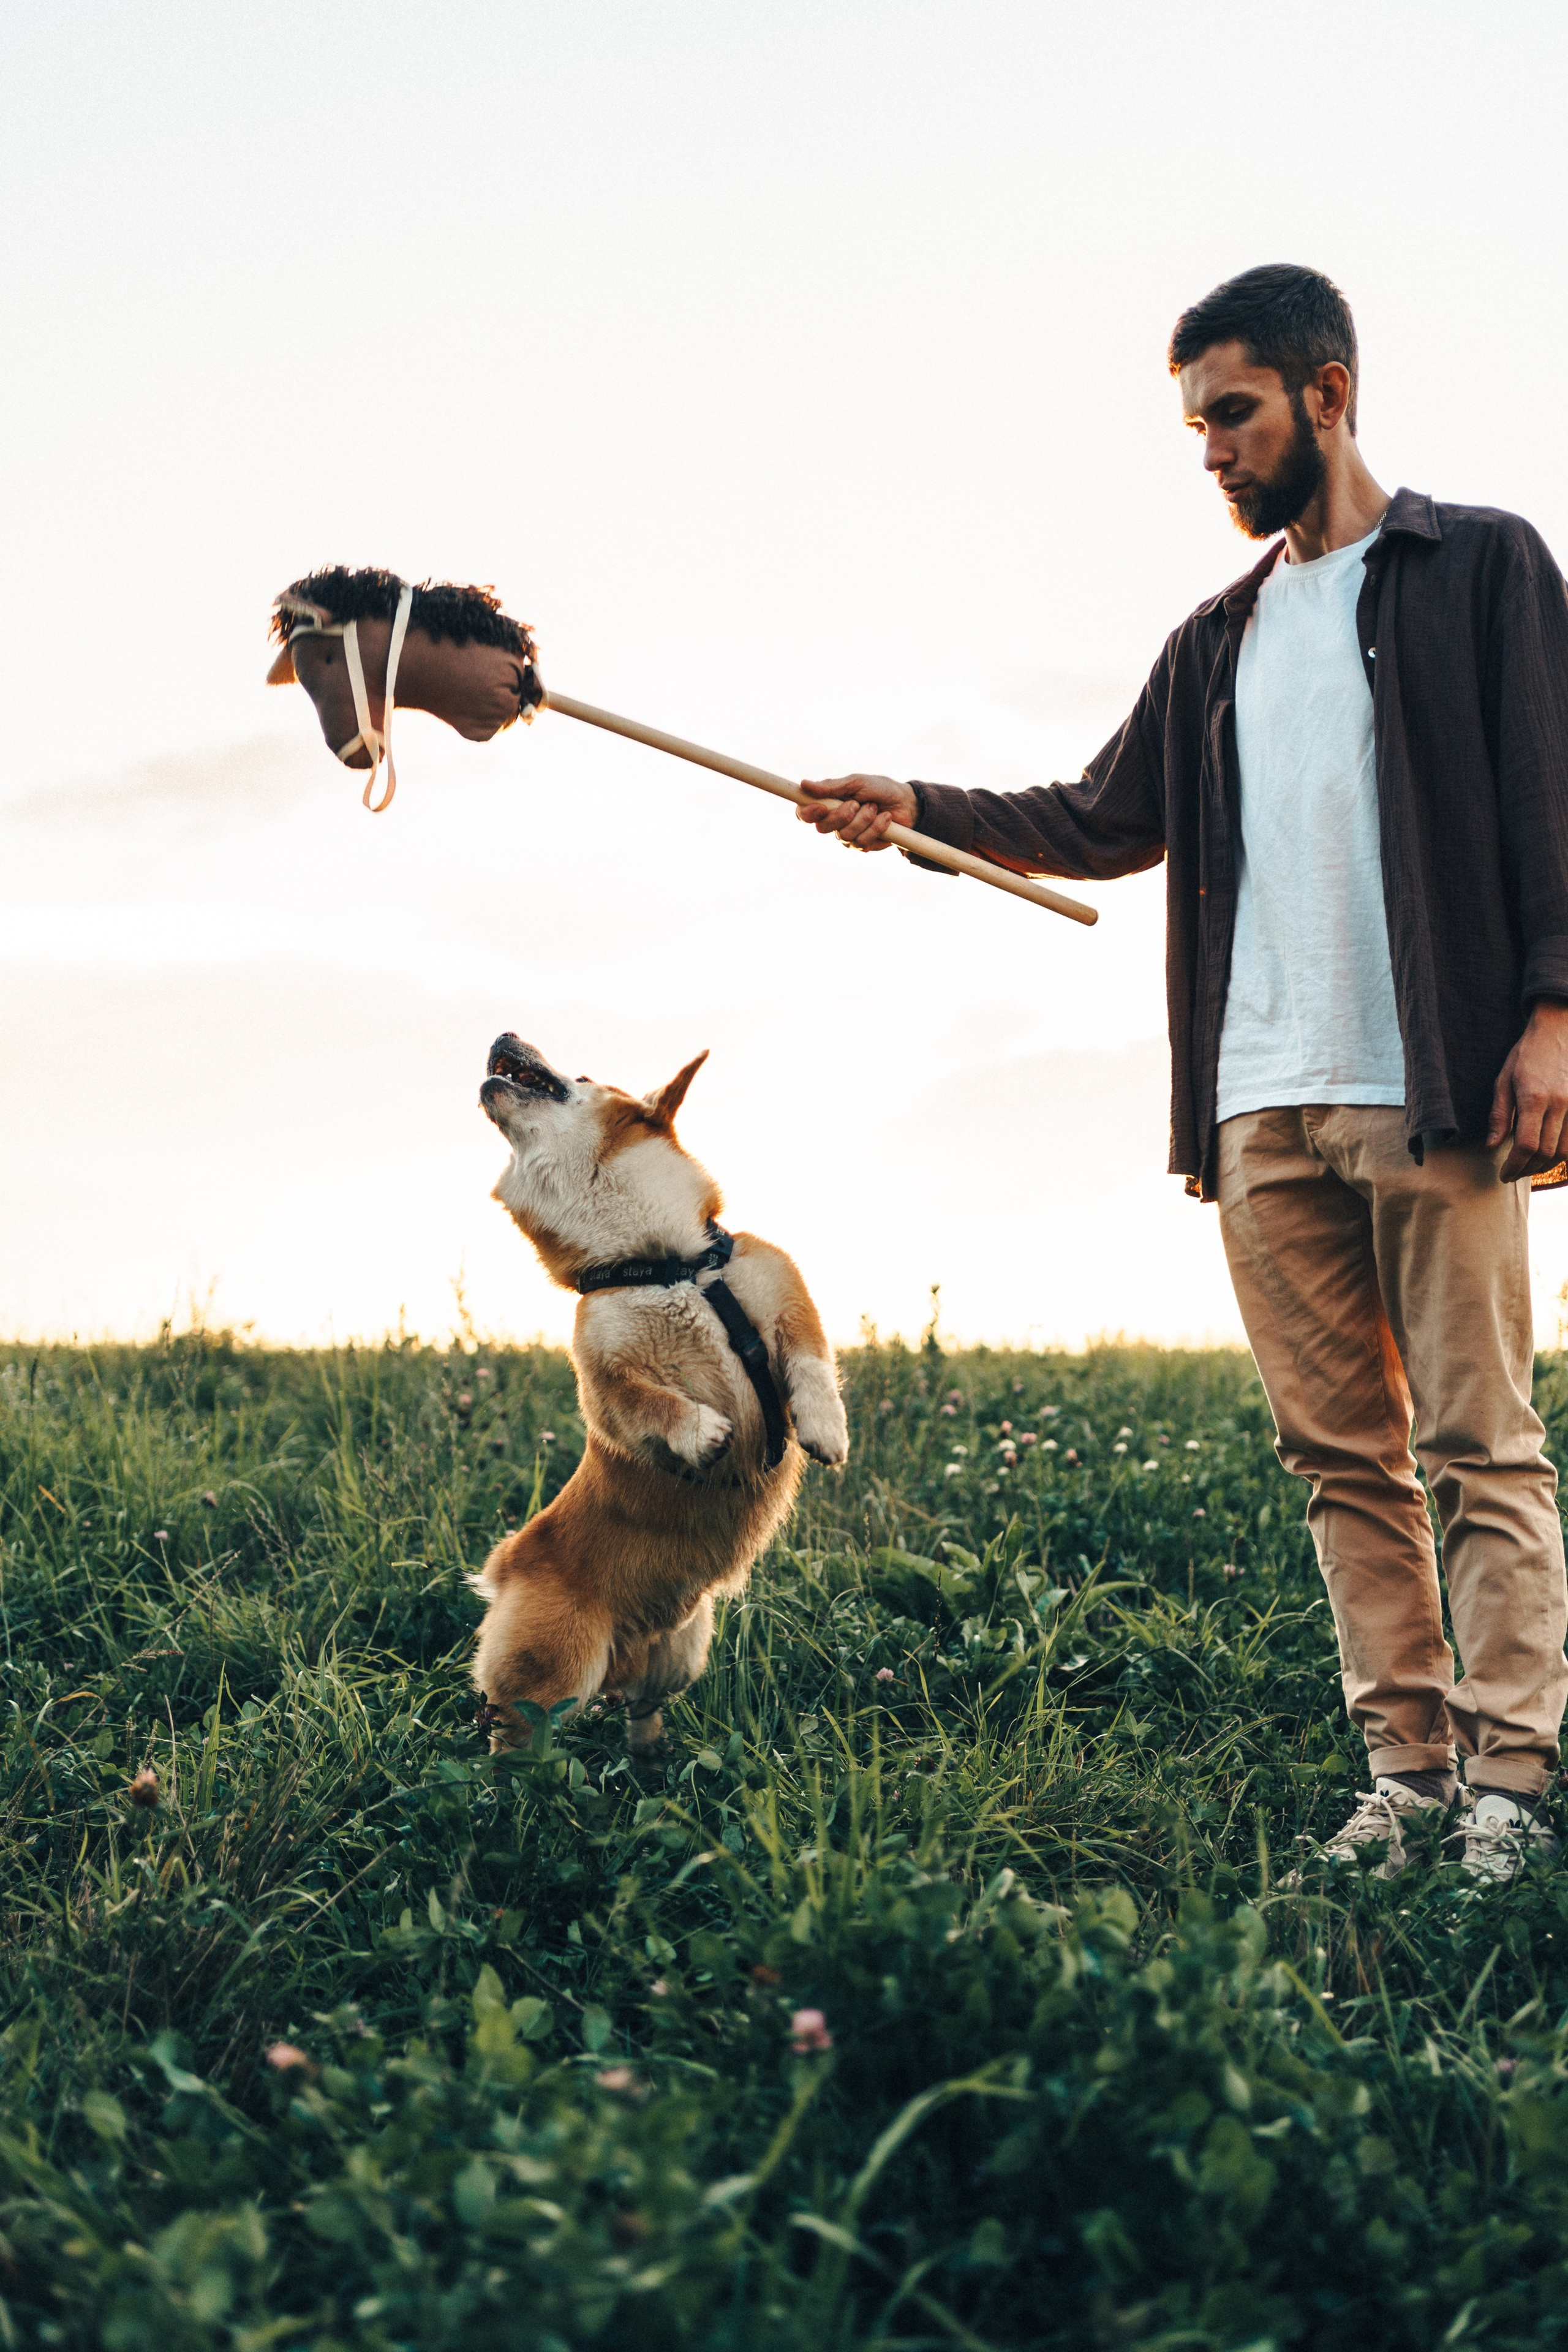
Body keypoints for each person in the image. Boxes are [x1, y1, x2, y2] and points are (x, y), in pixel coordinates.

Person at [797, 263, 1568, 1884]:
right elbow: (1093, 820)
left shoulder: (1483, 569)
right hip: (1256, 1103)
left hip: (1427, 1079)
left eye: (1232, 412)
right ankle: (1407, 1776)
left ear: (1327, 395)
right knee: (1339, 1460)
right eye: (1194, 424)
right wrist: (912, 811)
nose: (1210, 448)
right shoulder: (1213, 643)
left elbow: (1552, 803)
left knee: (1477, 1442)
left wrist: (1556, 1017)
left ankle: (1513, 1788)